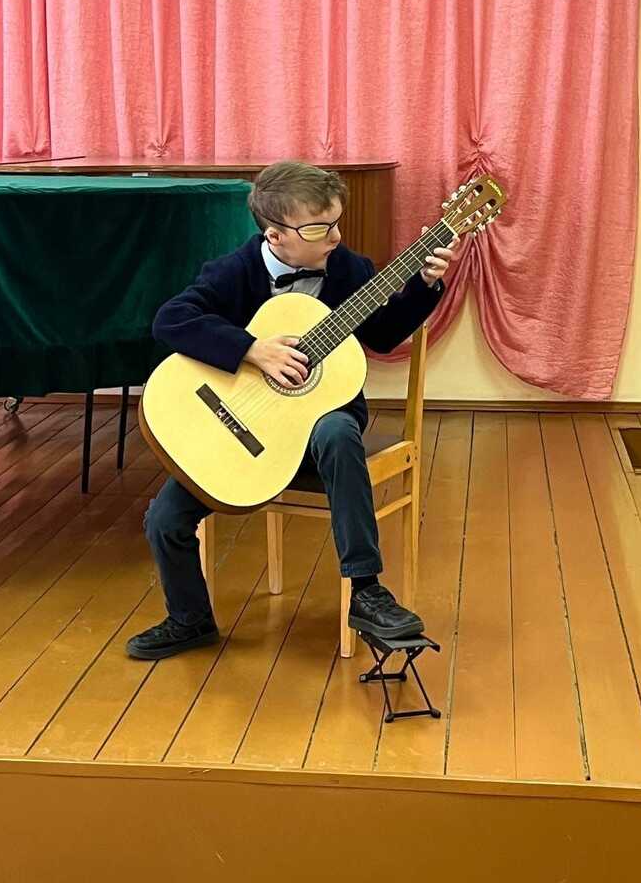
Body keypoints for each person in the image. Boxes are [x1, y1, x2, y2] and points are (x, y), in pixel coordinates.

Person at [126, 160, 454, 660]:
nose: (335, 237)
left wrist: (425, 284)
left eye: (337, 222)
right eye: (319, 229)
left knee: (338, 433)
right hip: (250, 431)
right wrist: (251, 350)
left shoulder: (351, 270)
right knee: (164, 519)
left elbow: (385, 335)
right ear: (275, 235)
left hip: (322, 429)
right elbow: (171, 320)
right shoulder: (234, 271)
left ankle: (367, 592)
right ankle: (190, 619)